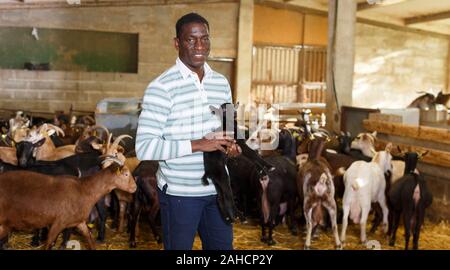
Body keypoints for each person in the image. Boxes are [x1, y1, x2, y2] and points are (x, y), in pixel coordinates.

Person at [135, 12, 240, 250]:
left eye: (205, 38)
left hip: (218, 189)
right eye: (191, 40)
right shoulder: (161, 87)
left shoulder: (222, 83)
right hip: (180, 194)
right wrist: (198, 144)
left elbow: (229, 129)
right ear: (177, 43)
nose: (199, 45)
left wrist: (232, 147)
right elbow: (144, 147)